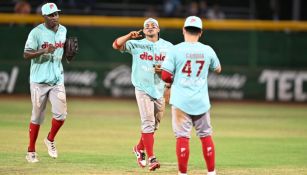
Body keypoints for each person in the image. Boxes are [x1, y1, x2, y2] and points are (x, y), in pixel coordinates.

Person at [161, 16, 222, 175]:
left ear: (183, 30)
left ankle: (183, 173)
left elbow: (166, 76)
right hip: (201, 101)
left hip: (181, 101)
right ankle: (211, 172)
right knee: (206, 136)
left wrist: (169, 84)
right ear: (200, 32)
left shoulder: (175, 50)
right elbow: (218, 68)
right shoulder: (207, 50)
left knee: (182, 137)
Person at [112, 18, 173, 171]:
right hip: (142, 88)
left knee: (154, 125)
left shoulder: (168, 46)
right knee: (148, 123)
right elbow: (116, 45)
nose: (150, 28)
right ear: (144, 31)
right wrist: (128, 36)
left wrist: (168, 82)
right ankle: (152, 158)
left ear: (158, 29)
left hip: (159, 89)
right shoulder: (136, 44)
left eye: (153, 26)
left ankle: (139, 148)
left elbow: (174, 68)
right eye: (147, 26)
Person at [23, 2, 68, 163]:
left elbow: (60, 52)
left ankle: (50, 139)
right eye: (51, 15)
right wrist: (43, 50)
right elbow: (26, 54)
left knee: (61, 115)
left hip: (57, 79)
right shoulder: (36, 33)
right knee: (37, 117)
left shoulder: (63, 30)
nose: (55, 17)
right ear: (44, 17)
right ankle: (31, 151)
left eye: (56, 14)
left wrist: (67, 55)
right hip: (39, 81)